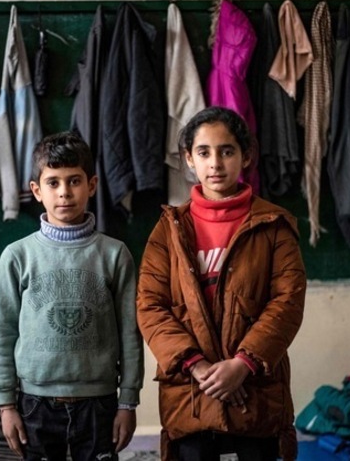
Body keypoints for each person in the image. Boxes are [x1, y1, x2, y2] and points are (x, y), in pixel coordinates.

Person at [136, 106, 306, 461]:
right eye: (204, 152)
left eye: (227, 151)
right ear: (189, 159)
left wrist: (242, 365)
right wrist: (198, 367)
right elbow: (150, 306)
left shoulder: (274, 226)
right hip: (190, 391)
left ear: (246, 157)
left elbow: (286, 303)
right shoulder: (169, 230)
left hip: (255, 390)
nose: (215, 163)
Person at [0, 131, 144, 461]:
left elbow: (130, 333)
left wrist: (127, 402)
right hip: (34, 403)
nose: (64, 193)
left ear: (92, 185)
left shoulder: (115, 255)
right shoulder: (17, 256)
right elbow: (3, 334)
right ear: (36, 190)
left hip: (99, 401)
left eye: (74, 181)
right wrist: (6, 404)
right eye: (53, 183)